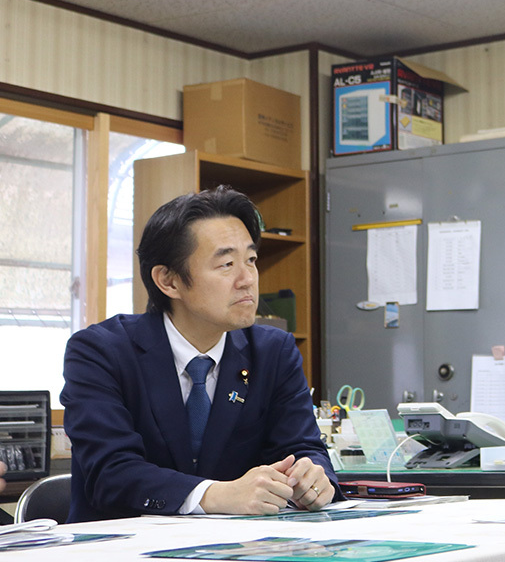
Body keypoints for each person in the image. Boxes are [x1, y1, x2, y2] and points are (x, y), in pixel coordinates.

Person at [62, 186, 338, 522]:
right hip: (121, 555)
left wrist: (314, 476)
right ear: (169, 281)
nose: (247, 279)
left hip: (241, 553)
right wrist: (217, 494)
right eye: (226, 264)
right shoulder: (101, 351)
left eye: (251, 260)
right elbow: (110, 474)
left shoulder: (273, 351)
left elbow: (303, 448)